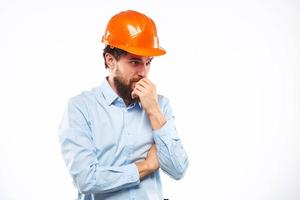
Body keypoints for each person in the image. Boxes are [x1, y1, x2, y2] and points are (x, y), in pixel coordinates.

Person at [58, 10, 189, 200]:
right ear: (110, 60)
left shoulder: (160, 105)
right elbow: (86, 180)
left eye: (148, 62)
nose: (143, 72)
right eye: (135, 62)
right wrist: (147, 166)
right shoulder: (80, 108)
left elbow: (178, 170)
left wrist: (153, 112)